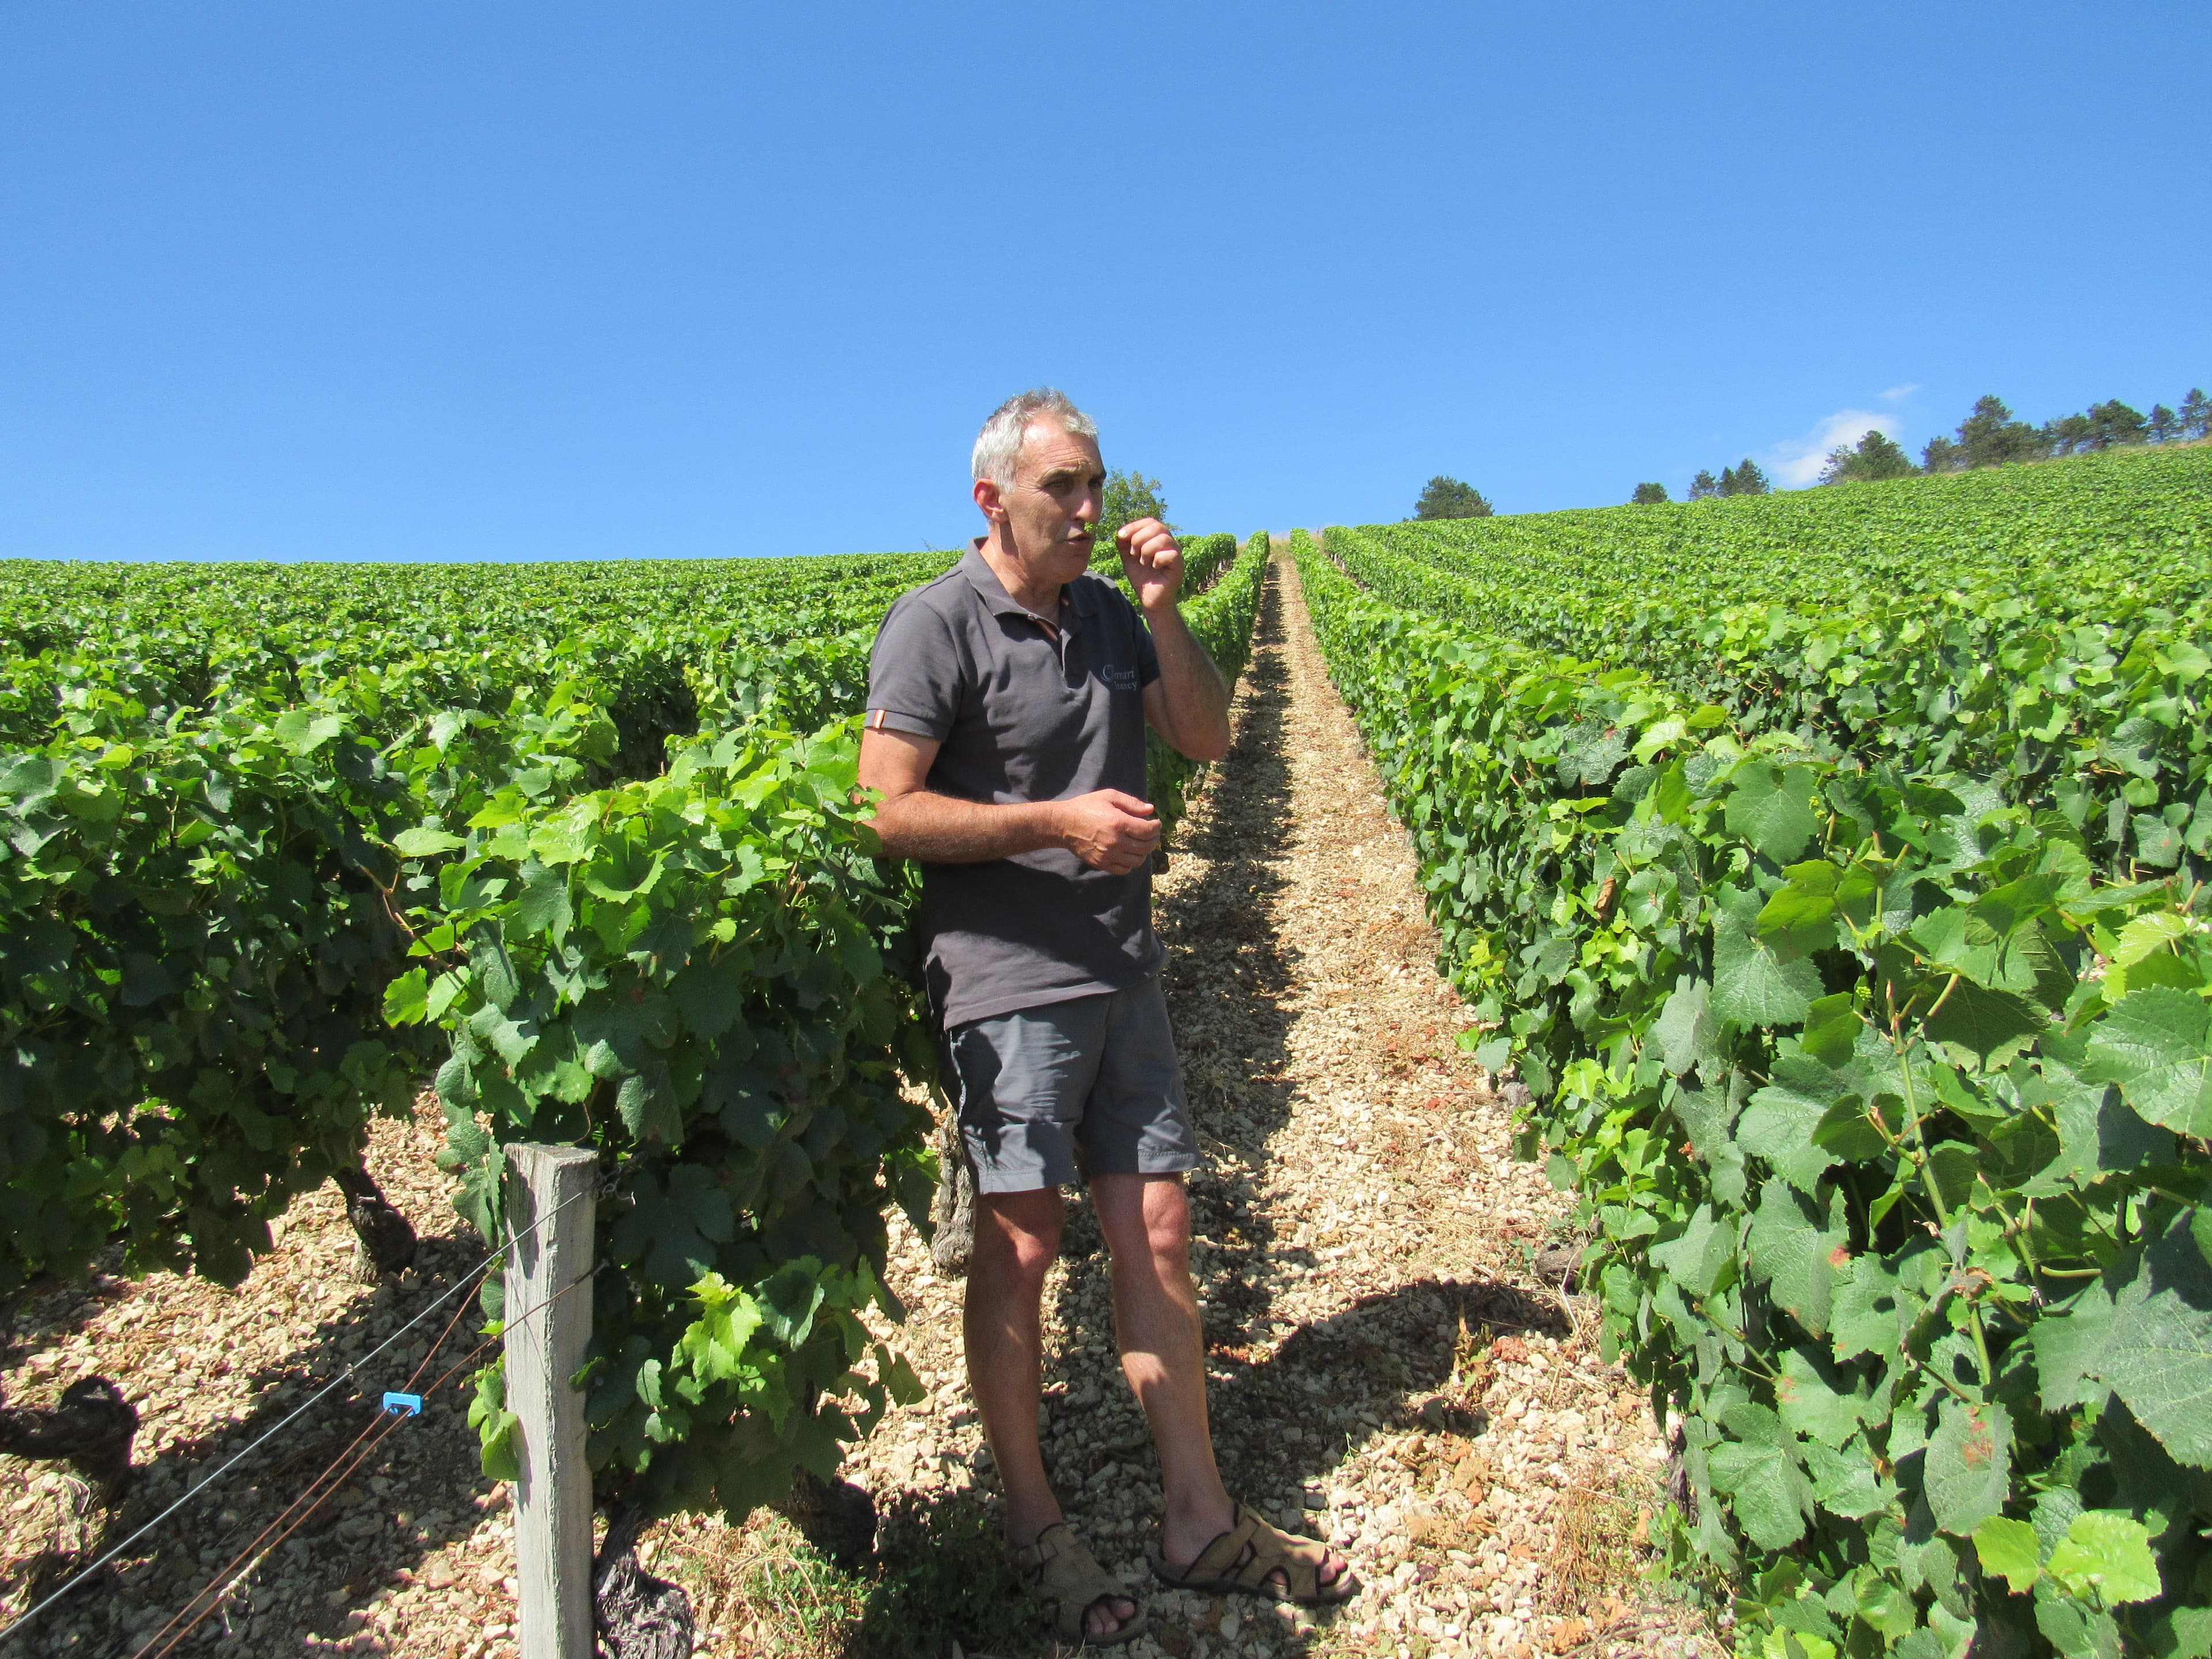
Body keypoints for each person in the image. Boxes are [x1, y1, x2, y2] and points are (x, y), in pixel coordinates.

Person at [858, 390, 1356, 1645]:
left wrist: (1167, 611)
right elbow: (885, 810)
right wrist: (1055, 823)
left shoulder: (1108, 615)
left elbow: (1206, 734)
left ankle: (1199, 1517)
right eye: (1062, 488)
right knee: (1022, 1247)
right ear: (993, 500)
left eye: (1095, 484)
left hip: (1122, 971)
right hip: (1005, 983)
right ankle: (1035, 1527)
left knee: (1162, 1231)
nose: (1089, 507)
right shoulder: (934, 624)